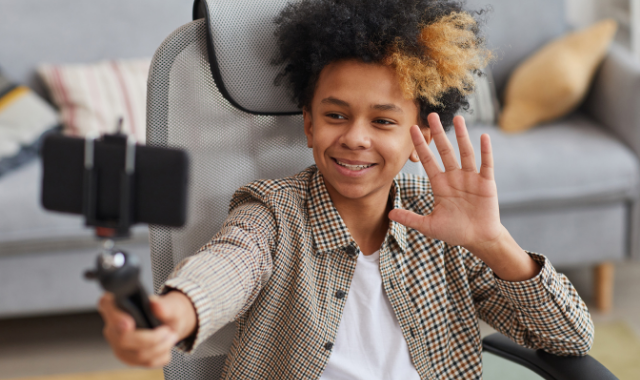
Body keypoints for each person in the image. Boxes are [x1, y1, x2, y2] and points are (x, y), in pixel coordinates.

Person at [98, 0, 594, 378]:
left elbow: (570, 338)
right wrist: (173, 312)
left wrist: (494, 243)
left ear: (417, 134)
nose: (355, 137)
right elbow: (227, 268)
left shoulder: (448, 230)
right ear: (309, 125)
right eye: (336, 115)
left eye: (383, 120)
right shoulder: (270, 212)